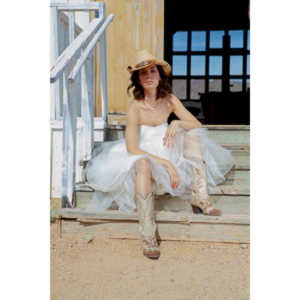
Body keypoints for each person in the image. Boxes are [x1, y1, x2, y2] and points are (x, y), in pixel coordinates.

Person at [85, 50, 235, 259]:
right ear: (137, 79)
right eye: (143, 73)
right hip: (144, 152)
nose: (148, 77)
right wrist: (164, 162)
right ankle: (148, 234)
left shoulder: (170, 99)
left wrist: (177, 122)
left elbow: (196, 124)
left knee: (193, 135)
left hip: (168, 147)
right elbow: (131, 148)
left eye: (152, 71)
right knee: (144, 164)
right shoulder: (135, 106)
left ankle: (200, 197)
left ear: (160, 75)